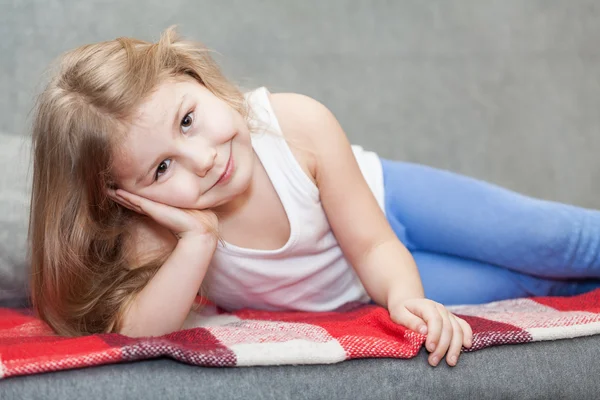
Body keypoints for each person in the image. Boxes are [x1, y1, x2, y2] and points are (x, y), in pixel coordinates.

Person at [29, 27, 600, 368]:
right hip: (359, 289)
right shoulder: (162, 234)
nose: (202, 158)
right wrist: (197, 239)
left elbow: (374, 243)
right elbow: (134, 335)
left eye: (187, 120)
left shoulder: (295, 124)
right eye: (160, 167)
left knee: (558, 241)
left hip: (392, 208)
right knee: (533, 287)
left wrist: (401, 294)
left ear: (195, 78)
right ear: (122, 196)